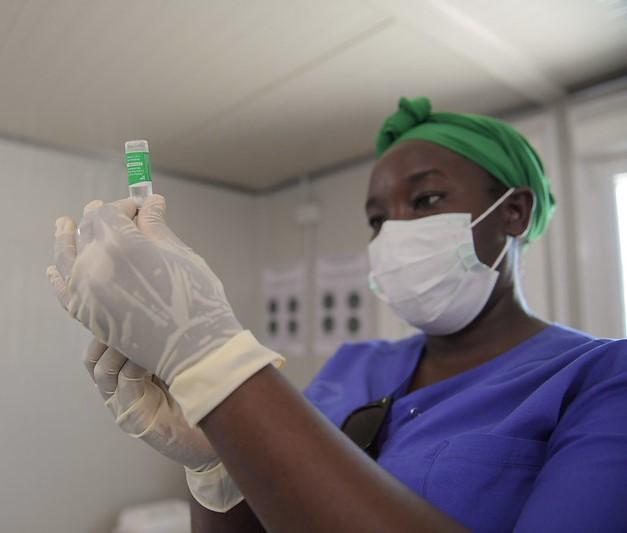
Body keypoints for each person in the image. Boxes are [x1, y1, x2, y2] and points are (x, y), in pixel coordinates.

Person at [47, 97, 627, 532]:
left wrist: (213, 358)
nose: (394, 231)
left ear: (514, 214)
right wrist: (216, 461)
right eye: (377, 218)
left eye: (425, 201)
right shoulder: (358, 365)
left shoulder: (601, 381)